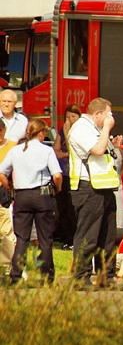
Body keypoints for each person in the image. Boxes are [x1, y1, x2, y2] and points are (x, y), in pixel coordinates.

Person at [0, 119, 62, 285]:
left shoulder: (16, 150)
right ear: (41, 133)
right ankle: (46, 278)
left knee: (22, 239)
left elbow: (1, 173)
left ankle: (15, 277)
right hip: (42, 196)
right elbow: (57, 175)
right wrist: (58, 189)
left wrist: (9, 188)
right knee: (45, 239)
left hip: (21, 196)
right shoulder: (46, 151)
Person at [68, 97, 121, 288]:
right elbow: (98, 150)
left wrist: (113, 143)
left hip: (104, 187)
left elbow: (106, 154)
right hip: (88, 188)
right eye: (108, 115)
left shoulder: (97, 129)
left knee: (107, 237)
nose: (111, 119)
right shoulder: (81, 128)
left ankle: (105, 276)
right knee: (88, 236)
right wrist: (107, 129)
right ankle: (81, 278)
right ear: (98, 114)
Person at [53, 104, 81, 247]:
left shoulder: (81, 132)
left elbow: (75, 150)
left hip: (76, 174)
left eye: (73, 116)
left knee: (72, 208)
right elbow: (56, 150)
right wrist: (65, 154)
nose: (70, 120)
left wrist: (68, 133)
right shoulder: (61, 131)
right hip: (63, 172)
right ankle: (66, 237)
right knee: (62, 207)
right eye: (68, 117)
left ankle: (74, 238)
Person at [0, 120, 15, 274]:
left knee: (6, 232)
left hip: (3, 192)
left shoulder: (12, 147)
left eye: (0, 130)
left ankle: (6, 267)